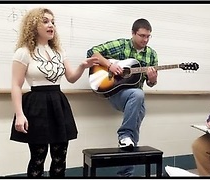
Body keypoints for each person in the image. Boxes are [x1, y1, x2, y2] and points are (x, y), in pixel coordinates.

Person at [9, 7, 98, 177]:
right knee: (38, 157)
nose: (51, 25)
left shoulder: (59, 51)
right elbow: (15, 85)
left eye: (53, 22)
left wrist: (82, 66)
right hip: (36, 106)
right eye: (45, 21)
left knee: (60, 158)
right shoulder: (24, 52)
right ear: (33, 26)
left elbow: (71, 78)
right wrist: (19, 115)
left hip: (58, 103)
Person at [86, 18, 158, 177]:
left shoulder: (152, 55)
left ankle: (125, 174)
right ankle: (124, 134)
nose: (145, 40)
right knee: (138, 94)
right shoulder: (121, 45)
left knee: (133, 135)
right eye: (142, 36)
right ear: (133, 33)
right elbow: (92, 52)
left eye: (148, 36)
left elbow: (151, 83)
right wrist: (110, 65)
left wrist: (152, 79)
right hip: (115, 93)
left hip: (135, 100)